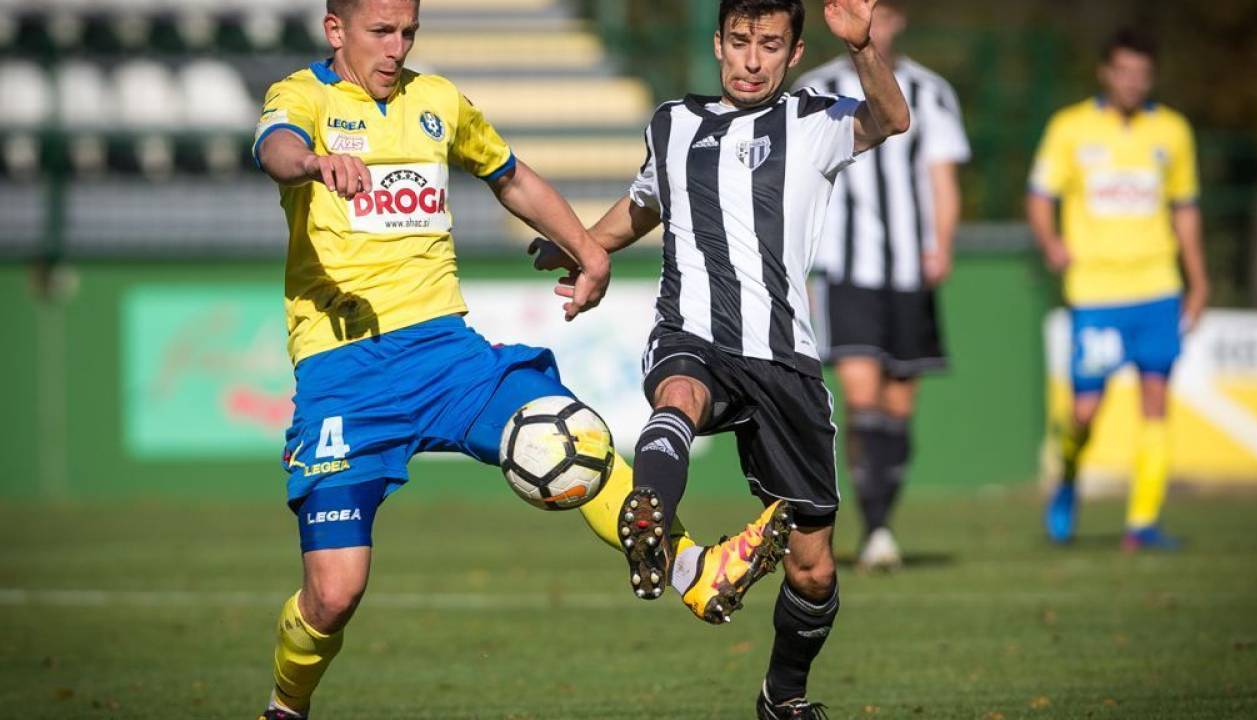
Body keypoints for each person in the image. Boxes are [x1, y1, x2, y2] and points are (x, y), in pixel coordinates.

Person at [249, 0, 774, 716]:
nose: (397, 48)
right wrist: (315, 162)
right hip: (345, 371)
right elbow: (275, 149)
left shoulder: (437, 100)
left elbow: (512, 177)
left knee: (571, 434)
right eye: (381, 33)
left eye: (408, 33)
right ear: (335, 30)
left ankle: (695, 571)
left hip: (446, 353)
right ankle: (286, 704)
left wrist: (588, 249)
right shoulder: (302, 97)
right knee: (335, 594)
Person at [533, 0, 908, 715]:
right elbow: (645, 204)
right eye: (739, 42)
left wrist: (863, 48)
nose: (752, 60)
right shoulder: (672, 124)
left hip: (784, 358)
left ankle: (782, 697)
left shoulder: (814, 121)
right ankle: (651, 517)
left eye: (769, 45)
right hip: (693, 331)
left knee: (813, 569)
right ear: (718, 44)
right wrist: (583, 246)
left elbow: (891, 118)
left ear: (794, 54)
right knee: (679, 393)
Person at [793, 0, 969, 569]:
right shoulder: (816, 89)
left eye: (885, 13)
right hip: (845, 269)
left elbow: (941, 177)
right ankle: (874, 528)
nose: (876, 23)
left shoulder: (931, 91)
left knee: (898, 407)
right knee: (861, 397)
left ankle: (881, 522)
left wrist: (942, 243)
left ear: (898, 20)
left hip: (909, 270)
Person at [1027, 28, 1209, 551]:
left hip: (1158, 287)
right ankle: (1067, 477)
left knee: (1156, 398)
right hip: (1096, 292)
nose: (1132, 82)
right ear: (1106, 73)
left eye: (1142, 74)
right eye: (1124, 71)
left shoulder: (1172, 130)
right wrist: (1051, 241)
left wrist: (1198, 280)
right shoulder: (1070, 127)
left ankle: (1142, 523)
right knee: (1085, 411)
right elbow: (1040, 196)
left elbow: (1185, 209)